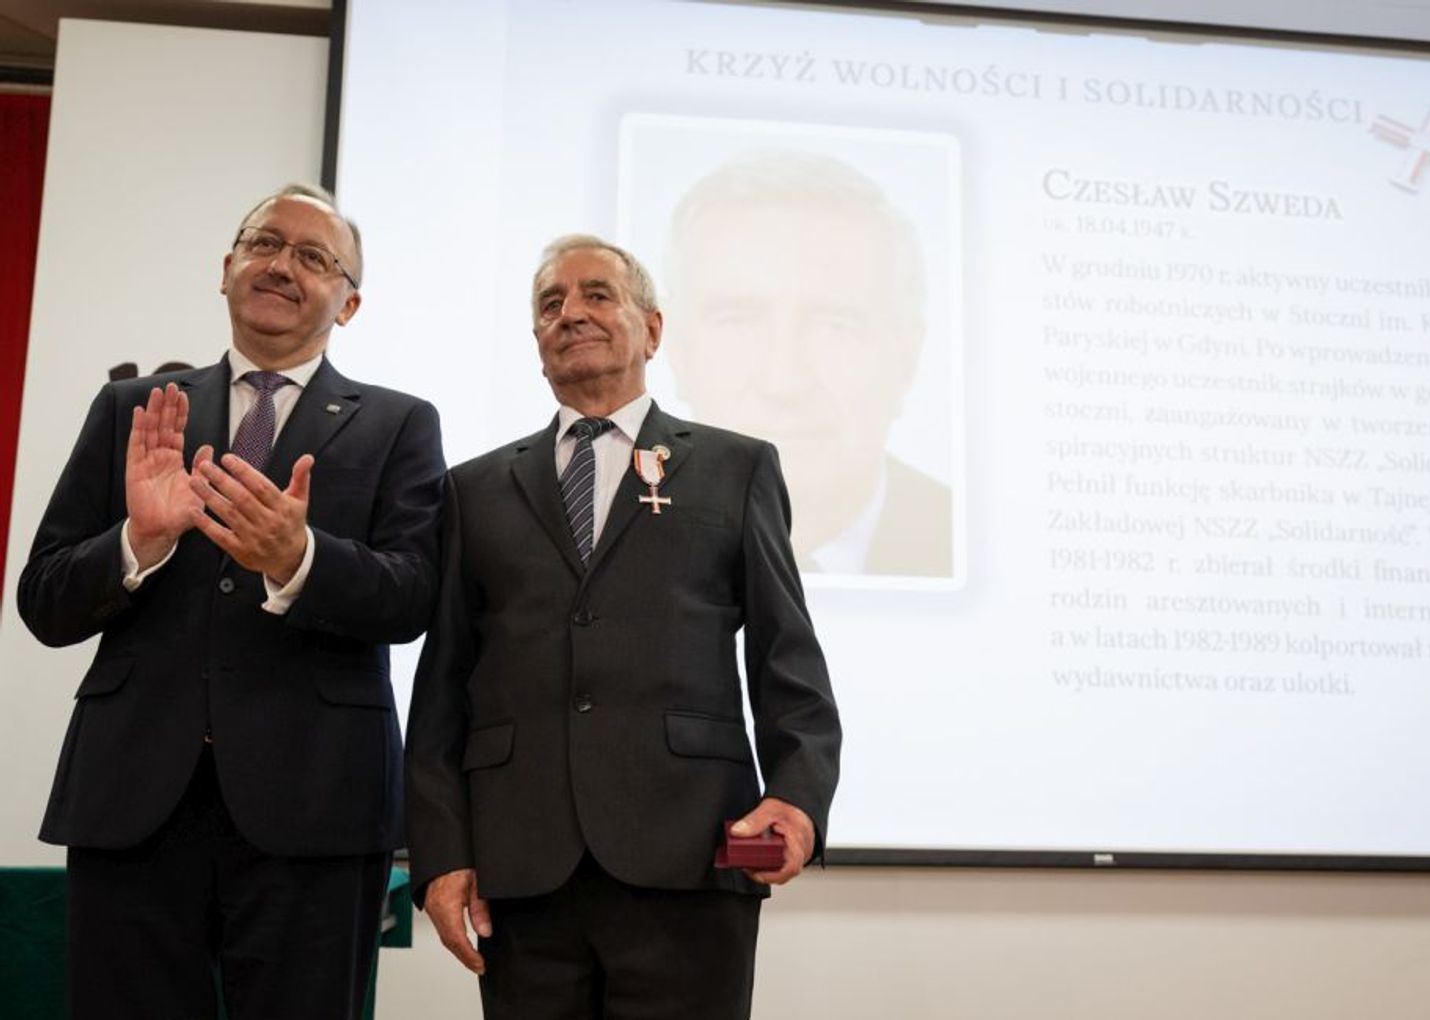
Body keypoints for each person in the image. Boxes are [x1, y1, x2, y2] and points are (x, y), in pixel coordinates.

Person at [17, 184, 445, 1018]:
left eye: (314, 257)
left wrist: (300, 559)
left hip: (317, 804)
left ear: (349, 303)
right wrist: (139, 542)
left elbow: (412, 598)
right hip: (133, 797)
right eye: (264, 243)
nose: (281, 265)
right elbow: (45, 600)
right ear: (227, 268)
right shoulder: (137, 410)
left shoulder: (399, 423)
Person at [406, 234, 841, 1019]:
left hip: (690, 855)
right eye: (551, 303)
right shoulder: (474, 489)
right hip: (523, 870)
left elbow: (789, 660)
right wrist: (440, 853)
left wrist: (799, 796)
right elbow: (443, 689)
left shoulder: (736, 468)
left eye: (597, 295)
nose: (571, 313)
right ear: (537, 339)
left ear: (653, 329)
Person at [663, 150, 952, 578]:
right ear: (676, 349)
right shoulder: (609, 541)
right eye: (737, 322)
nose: (783, 382)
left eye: (836, 326)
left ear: (905, 359)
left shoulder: (981, 544)